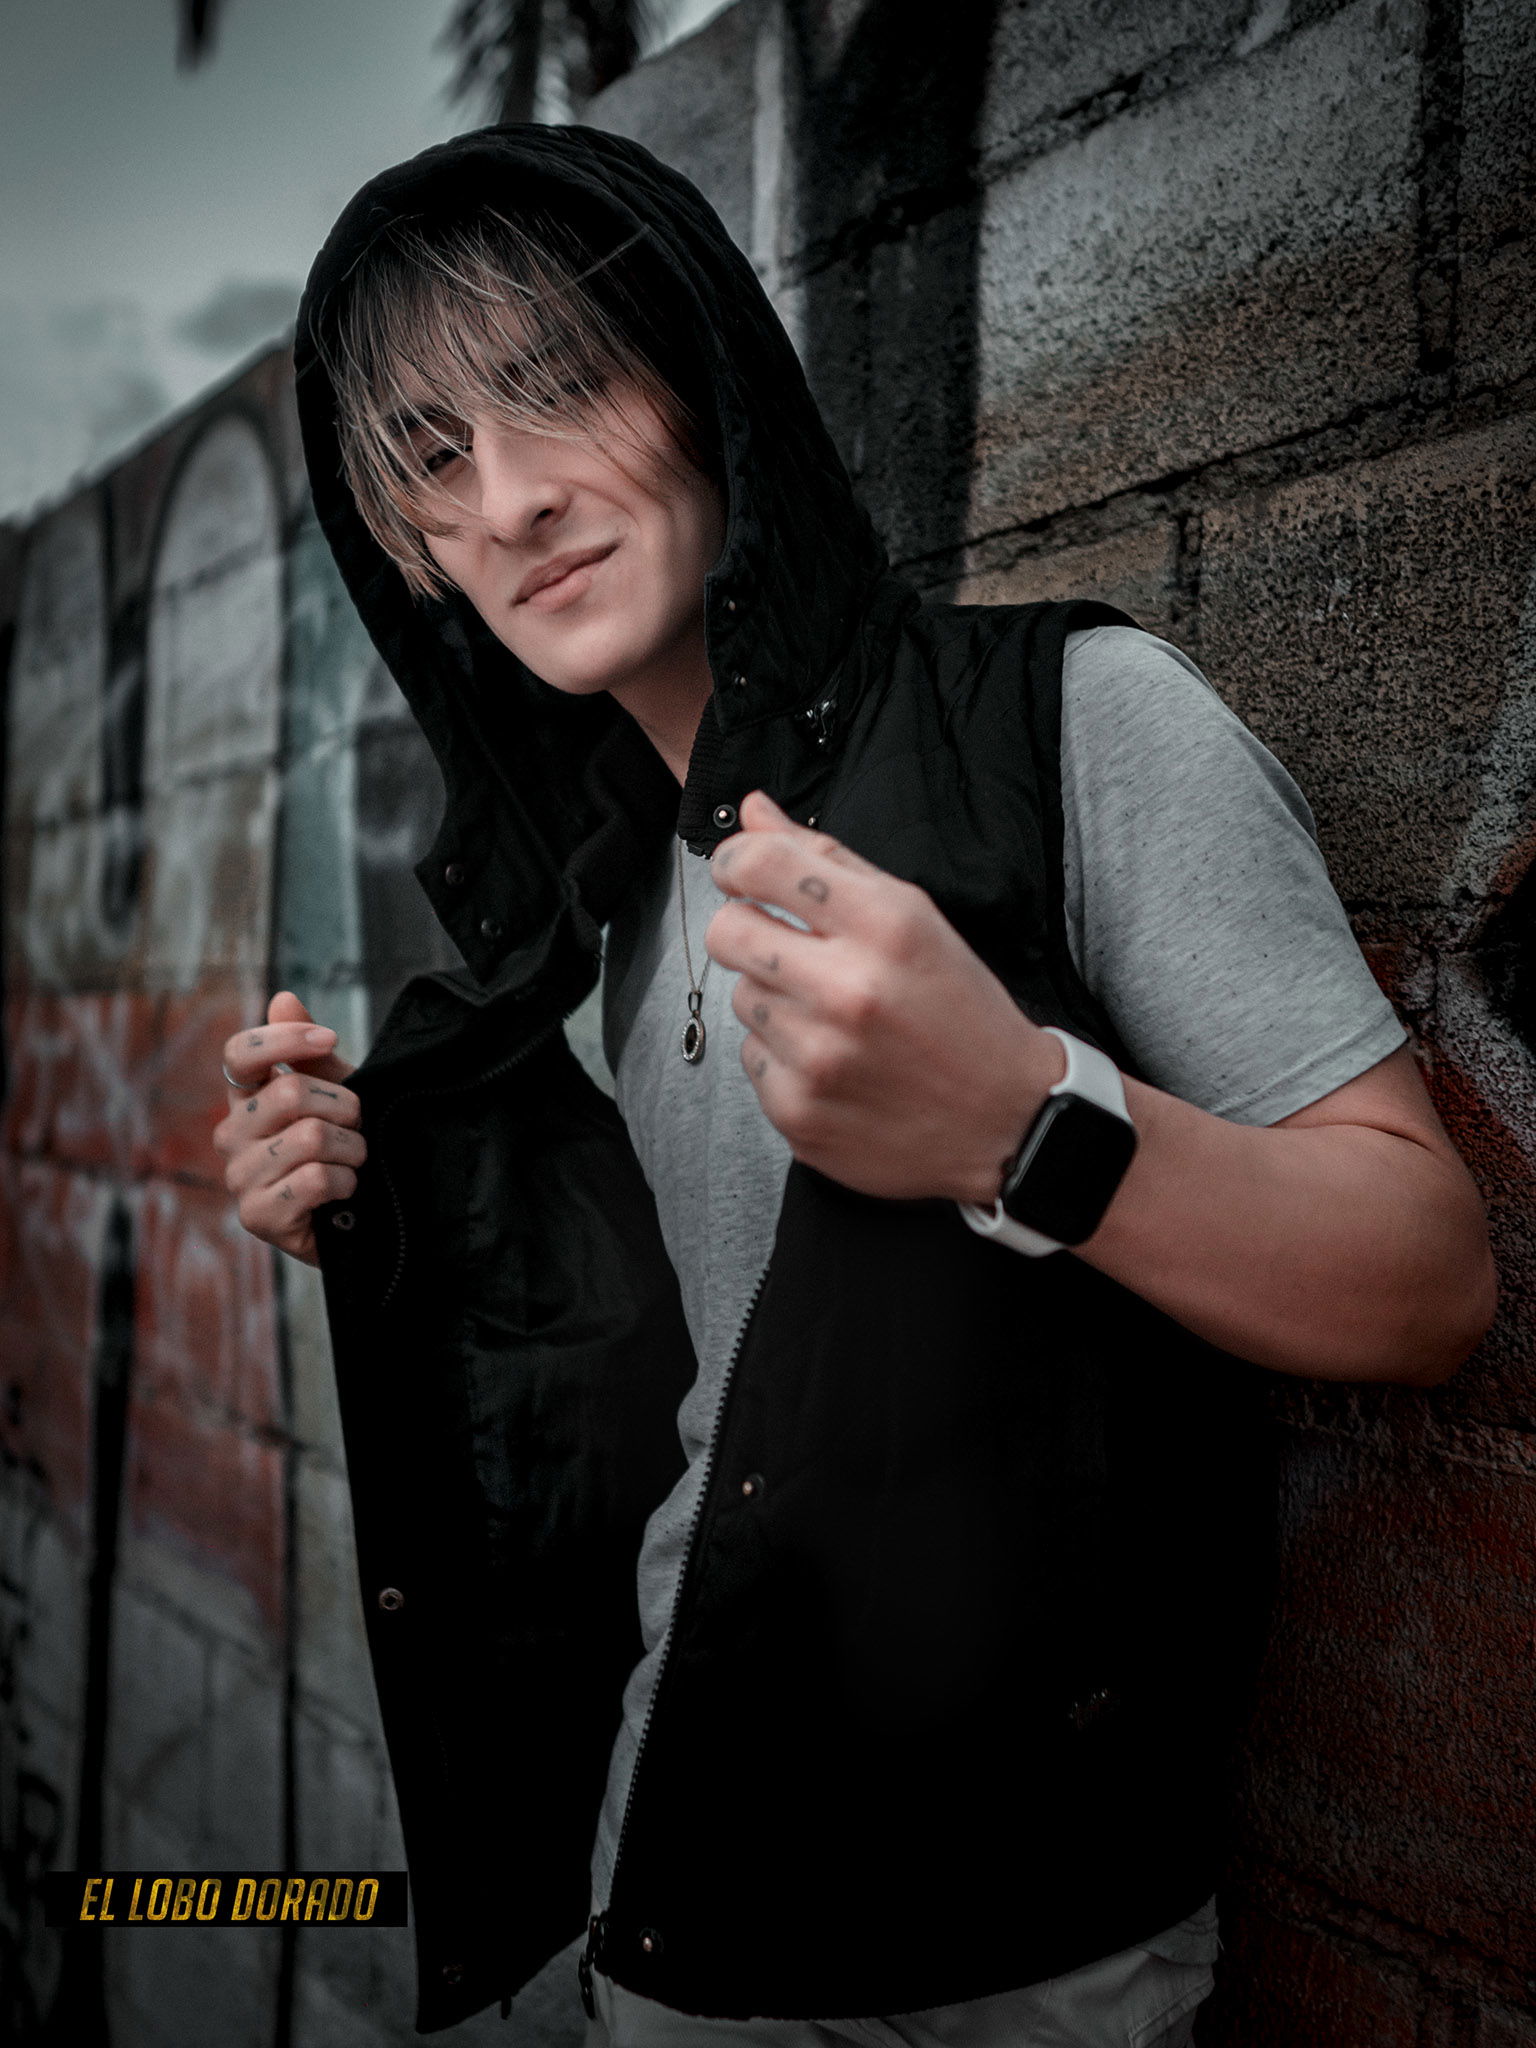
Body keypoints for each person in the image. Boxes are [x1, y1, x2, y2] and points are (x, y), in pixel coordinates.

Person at [212, 125, 1496, 2045]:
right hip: (669, 1884)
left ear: (702, 373)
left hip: (989, 1952)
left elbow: (1428, 1275)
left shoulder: (1073, 722)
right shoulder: (617, 913)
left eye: (559, 386)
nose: (514, 495)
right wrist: (377, 1213)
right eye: (431, 458)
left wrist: (1023, 1127)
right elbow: (728, 1382)